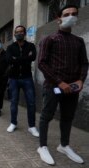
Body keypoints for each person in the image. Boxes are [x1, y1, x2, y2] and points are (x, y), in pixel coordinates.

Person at [37, 5, 88, 165]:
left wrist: (80, 80)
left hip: (72, 88)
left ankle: (64, 145)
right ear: (59, 18)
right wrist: (59, 82)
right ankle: (42, 147)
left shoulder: (78, 41)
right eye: (67, 14)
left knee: (68, 117)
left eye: (74, 14)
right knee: (47, 116)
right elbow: (42, 63)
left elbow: (84, 64)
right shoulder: (50, 39)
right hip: (54, 87)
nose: (71, 16)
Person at [6, 25, 39, 137]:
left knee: (31, 102)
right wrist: (25, 58)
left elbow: (33, 57)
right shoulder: (10, 47)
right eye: (17, 32)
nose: (19, 33)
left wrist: (16, 59)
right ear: (14, 34)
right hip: (14, 78)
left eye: (21, 32)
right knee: (14, 102)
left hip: (27, 78)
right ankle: (13, 123)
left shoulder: (30, 46)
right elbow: (9, 59)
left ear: (24, 33)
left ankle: (32, 126)